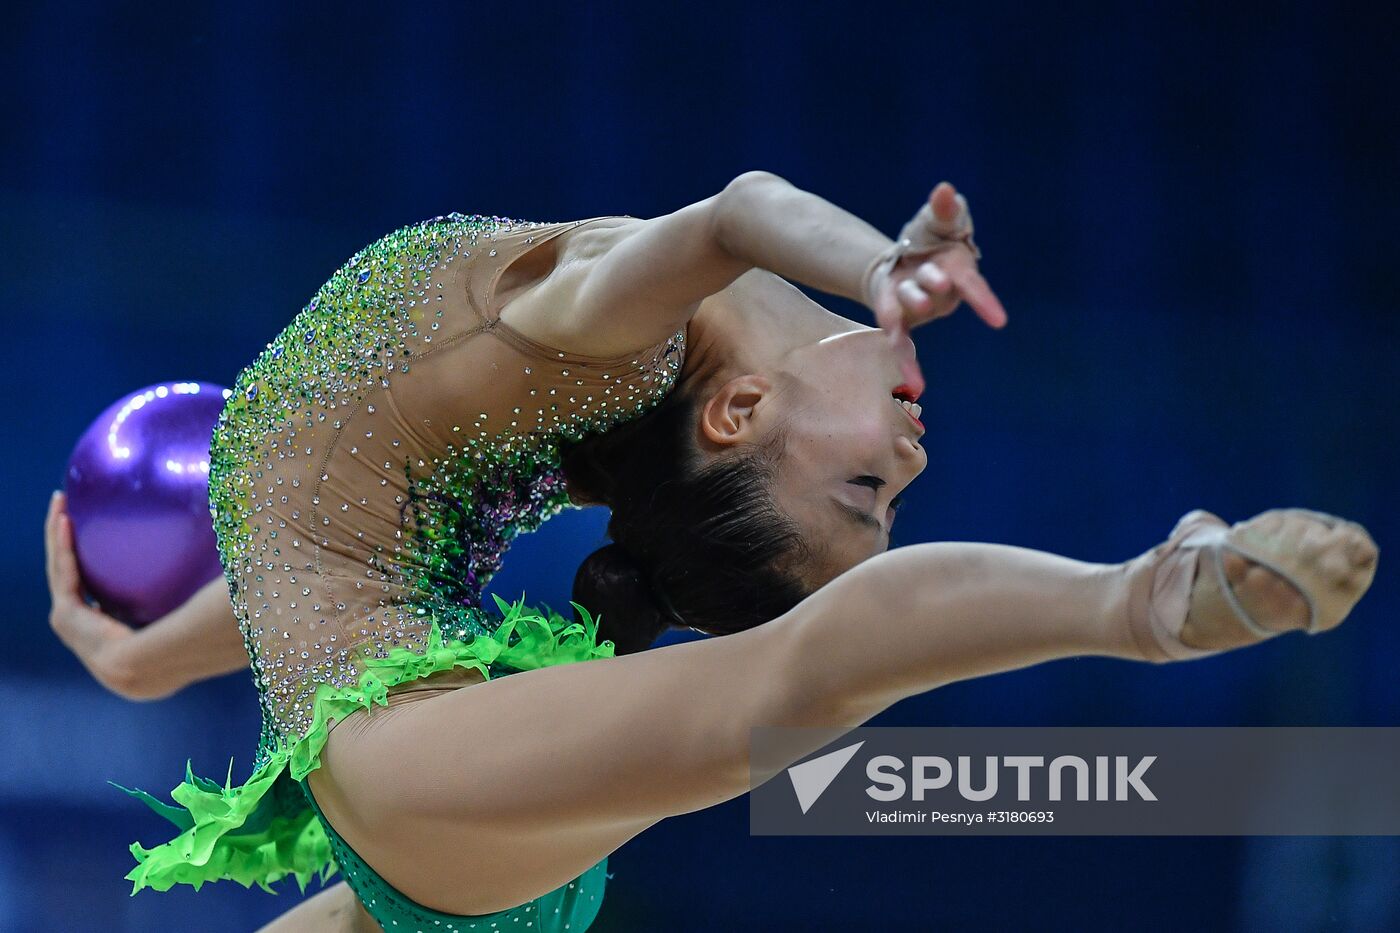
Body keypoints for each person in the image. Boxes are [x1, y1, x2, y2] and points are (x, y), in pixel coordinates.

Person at [45, 173, 1379, 932]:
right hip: (445, 811)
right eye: (891, 489)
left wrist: (881, 269)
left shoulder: (618, 332)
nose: (913, 457)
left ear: (739, 415)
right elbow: (312, 545)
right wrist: (151, 658)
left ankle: (1154, 596)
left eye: (862, 486)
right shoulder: (589, 424)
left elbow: (738, 212)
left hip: (417, 766)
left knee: (793, 682)